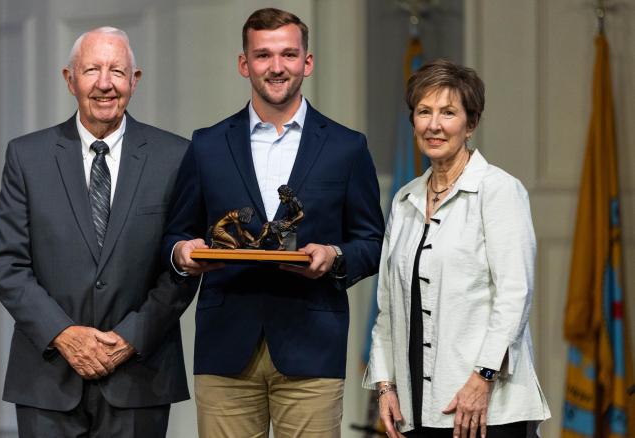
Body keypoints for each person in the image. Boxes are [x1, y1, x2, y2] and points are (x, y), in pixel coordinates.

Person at [163, 7, 384, 437]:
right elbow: (175, 232)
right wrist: (181, 253)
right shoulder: (207, 145)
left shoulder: (347, 147)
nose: (276, 67)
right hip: (225, 347)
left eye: (288, 54)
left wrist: (334, 255)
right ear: (244, 64)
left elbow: (372, 241)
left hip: (312, 344)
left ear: (307, 61)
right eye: (263, 55)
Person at [0, 27, 196, 437]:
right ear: (70, 79)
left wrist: (129, 338)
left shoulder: (176, 157)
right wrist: (63, 334)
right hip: (47, 377)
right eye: (92, 70)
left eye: (117, 71)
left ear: (134, 81)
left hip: (140, 375)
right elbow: (7, 263)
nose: (105, 84)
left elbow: (184, 267)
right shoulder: (27, 156)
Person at [364, 59, 551, 438]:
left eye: (448, 112)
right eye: (424, 112)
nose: (434, 125)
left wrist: (482, 378)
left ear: (471, 124)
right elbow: (388, 308)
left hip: (489, 407)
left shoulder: (499, 191)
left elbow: (514, 296)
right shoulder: (404, 200)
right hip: (417, 408)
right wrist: (385, 385)